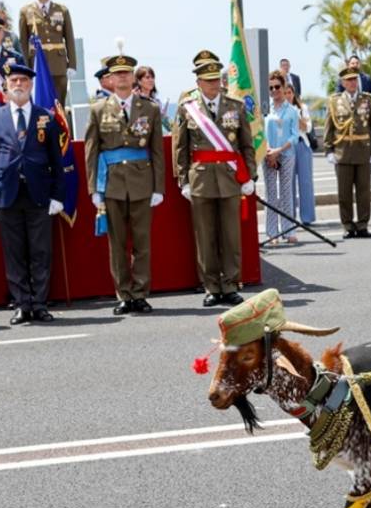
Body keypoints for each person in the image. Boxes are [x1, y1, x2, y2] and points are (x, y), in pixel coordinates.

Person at [0, 62, 65, 325]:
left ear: (30, 86)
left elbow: (56, 161)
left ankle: (39, 303)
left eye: (23, 81)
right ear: (6, 86)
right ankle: (21, 304)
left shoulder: (46, 117)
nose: (18, 85)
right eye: (14, 81)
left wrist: (57, 196)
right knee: (14, 252)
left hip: (38, 193)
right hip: (7, 193)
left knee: (41, 252)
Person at [84, 53, 164, 315]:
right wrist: (94, 188)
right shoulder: (98, 109)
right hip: (113, 184)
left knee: (143, 243)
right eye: (117, 74)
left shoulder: (149, 108)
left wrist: (158, 188)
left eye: (126, 73)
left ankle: (140, 293)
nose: (122, 77)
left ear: (133, 77)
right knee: (116, 243)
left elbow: (157, 151)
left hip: (142, 182)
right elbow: (91, 151)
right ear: (110, 79)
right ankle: (124, 294)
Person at [172, 57, 256, 307]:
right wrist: (183, 180)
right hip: (201, 179)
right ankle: (211, 287)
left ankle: (230, 285)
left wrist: (249, 175)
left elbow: (246, 145)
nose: (213, 85)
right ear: (198, 82)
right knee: (205, 237)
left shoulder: (236, 106)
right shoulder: (187, 108)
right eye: (207, 81)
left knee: (231, 236)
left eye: (216, 80)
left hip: (230, 178)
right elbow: (180, 147)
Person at [324, 64, 371, 239]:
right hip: (342, 152)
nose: (352, 83)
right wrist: (329, 150)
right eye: (348, 80)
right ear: (342, 82)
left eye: (354, 79)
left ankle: (363, 225)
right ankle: (348, 225)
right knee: (344, 192)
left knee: (364, 192)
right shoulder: (334, 101)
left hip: (362, 151)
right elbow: (330, 127)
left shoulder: (368, 99)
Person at [17, 0, 77, 110]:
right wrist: (26, 67)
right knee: (38, 104)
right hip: (37, 65)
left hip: (58, 65)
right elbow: (23, 42)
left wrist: (72, 64)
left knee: (58, 105)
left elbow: (69, 38)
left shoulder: (62, 10)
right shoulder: (26, 11)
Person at [262, 71, 300, 245]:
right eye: (271, 88)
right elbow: (260, 134)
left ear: (284, 88)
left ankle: (288, 229)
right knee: (271, 194)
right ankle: (271, 232)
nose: (274, 90)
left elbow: (294, 136)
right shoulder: (265, 110)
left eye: (277, 86)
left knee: (286, 193)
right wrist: (269, 152)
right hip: (268, 155)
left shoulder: (292, 111)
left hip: (286, 154)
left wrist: (279, 150)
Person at [287, 82, 317, 226]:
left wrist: (296, 116)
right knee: (288, 183)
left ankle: (307, 217)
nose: (287, 95)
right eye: (284, 92)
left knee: (305, 182)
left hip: (301, 145)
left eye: (289, 93)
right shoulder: (278, 109)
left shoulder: (302, 108)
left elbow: (307, 127)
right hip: (287, 147)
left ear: (294, 94)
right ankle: (289, 216)